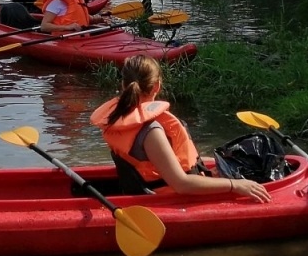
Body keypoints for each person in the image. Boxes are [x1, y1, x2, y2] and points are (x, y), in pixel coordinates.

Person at [92, 55, 272, 201]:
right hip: (171, 197)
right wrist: (235, 185)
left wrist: (208, 161)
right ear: (157, 86)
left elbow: (154, 162)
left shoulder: (116, 118)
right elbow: (181, 184)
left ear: (123, 85)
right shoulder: (151, 132)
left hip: (148, 187)